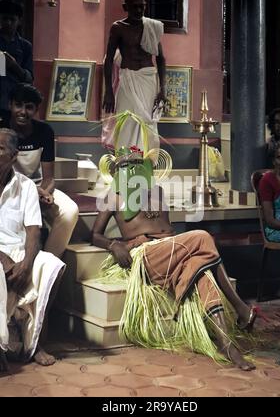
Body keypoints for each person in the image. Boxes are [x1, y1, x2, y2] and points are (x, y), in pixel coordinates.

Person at [93, 141, 257, 371]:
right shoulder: (113, 195)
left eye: (137, 164)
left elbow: (166, 227)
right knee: (202, 236)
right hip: (148, 254)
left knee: (202, 274)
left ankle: (226, 344)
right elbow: (95, 235)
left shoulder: (156, 190)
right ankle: (240, 307)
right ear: (116, 171)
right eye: (126, 166)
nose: (133, 170)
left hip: (171, 249)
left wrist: (176, 247)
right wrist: (114, 245)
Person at [0, 128, 65, 373]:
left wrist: (27, 264)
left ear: (14, 156)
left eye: (0, 149)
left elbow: (34, 232)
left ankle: (36, 342)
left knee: (52, 266)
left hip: (18, 252)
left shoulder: (26, 186)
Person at [0, 83, 79, 259]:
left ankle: (46, 264)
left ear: (36, 109)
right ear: (10, 105)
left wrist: (42, 193)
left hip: (37, 187)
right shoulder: (2, 129)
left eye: (29, 107)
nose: (23, 111)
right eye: (18, 105)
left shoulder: (44, 131)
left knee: (69, 211)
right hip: (6, 186)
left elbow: (49, 177)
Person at [102, 0, 166, 151]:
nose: (139, 10)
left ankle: (145, 163)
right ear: (126, 7)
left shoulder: (152, 26)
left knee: (147, 122)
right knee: (126, 120)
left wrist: (162, 89)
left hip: (148, 79)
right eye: (135, 7)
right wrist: (109, 91)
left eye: (142, 7)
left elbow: (161, 59)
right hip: (128, 79)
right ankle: (125, 162)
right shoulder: (118, 28)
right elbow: (108, 59)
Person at [0, 0, 33, 110]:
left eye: (12, 19)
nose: (8, 23)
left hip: (15, 102)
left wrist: (13, 65)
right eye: (5, 18)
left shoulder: (25, 46)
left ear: (19, 21)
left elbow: (29, 78)